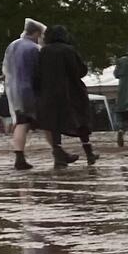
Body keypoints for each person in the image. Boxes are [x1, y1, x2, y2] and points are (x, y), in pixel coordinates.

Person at [33, 24, 96, 168]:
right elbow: (81, 70)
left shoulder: (43, 52)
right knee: (80, 121)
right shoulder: (69, 50)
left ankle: (58, 154)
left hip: (49, 93)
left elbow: (37, 73)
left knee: (54, 123)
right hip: (71, 92)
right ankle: (89, 153)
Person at [2, 18, 44, 169]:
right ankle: (58, 152)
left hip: (13, 89)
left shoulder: (12, 45)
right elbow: (39, 72)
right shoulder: (34, 48)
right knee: (46, 122)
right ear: (37, 33)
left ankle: (19, 156)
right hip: (29, 90)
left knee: (21, 122)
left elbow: (5, 69)